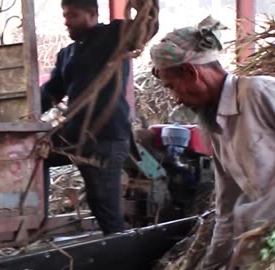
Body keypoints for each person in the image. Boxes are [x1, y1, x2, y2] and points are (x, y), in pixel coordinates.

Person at [150, 16, 275, 269]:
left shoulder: (258, 93)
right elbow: (226, 209)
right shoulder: (217, 129)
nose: (175, 99)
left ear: (191, 71)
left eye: (173, 86)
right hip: (261, 242)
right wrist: (210, 264)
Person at [41, 0, 158, 235]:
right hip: (76, 138)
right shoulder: (67, 54)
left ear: (93, 14)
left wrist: (145, 4)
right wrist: (20, 116)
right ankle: (39, 218)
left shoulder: (114, 36)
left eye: (72, 15)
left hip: (106, 137)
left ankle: (120, 251)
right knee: (35, 156)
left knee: (104, 207)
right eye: (64, 15)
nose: (66, 21)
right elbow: (49, 94)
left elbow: (147, 26)